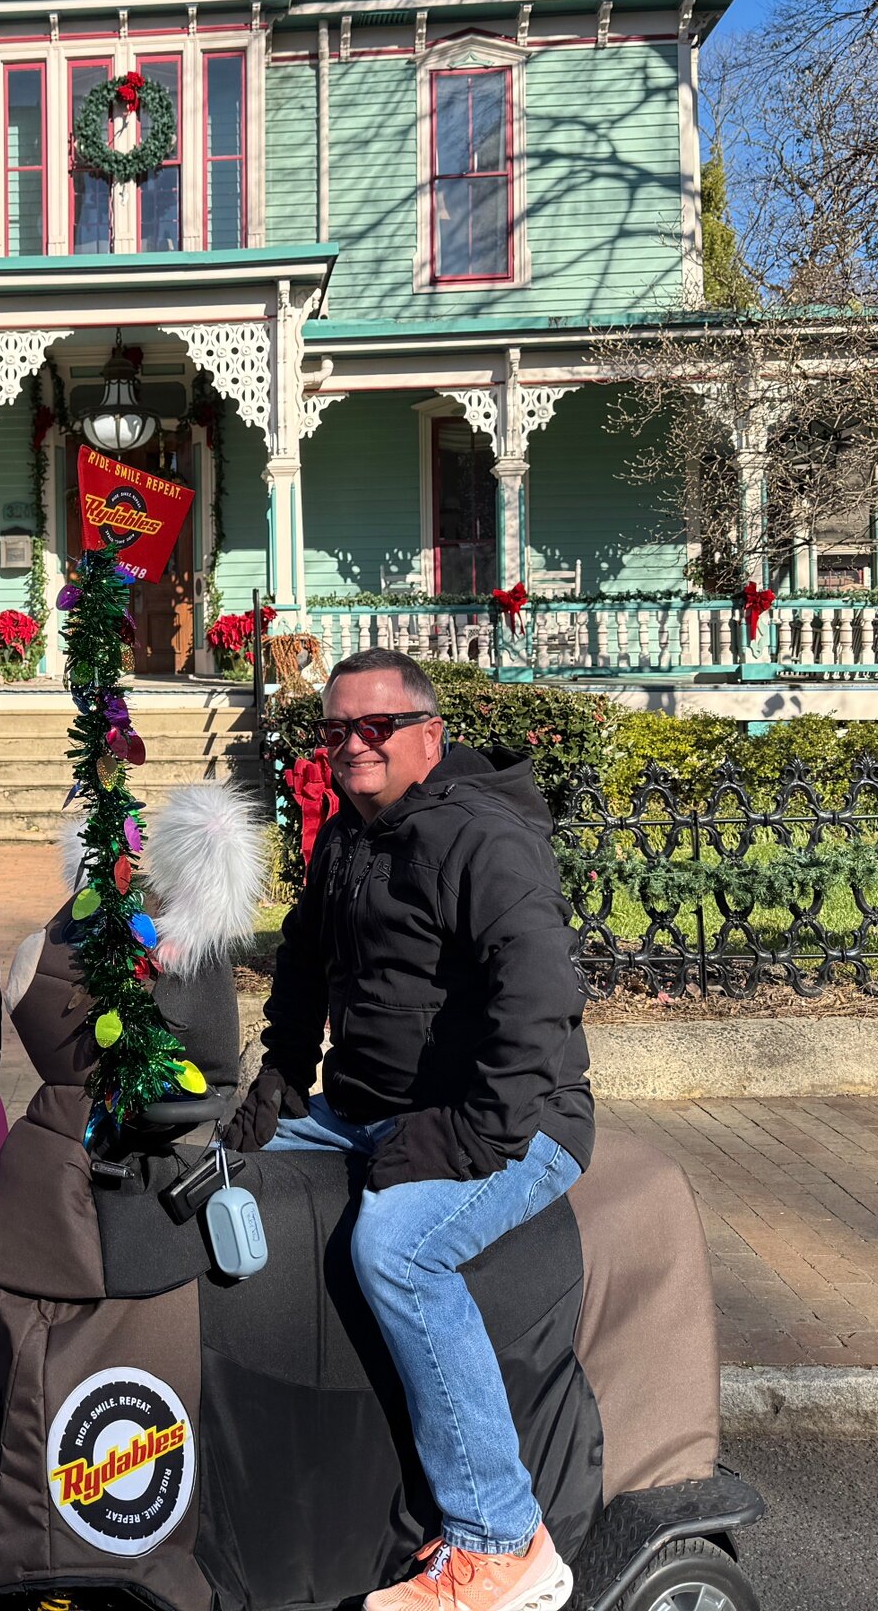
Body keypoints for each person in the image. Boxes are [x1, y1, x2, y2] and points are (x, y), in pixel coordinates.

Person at [222, 648, 592, 1611]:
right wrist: (280, 1076)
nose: (353, 744)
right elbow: (305, 959)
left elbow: (541, 995)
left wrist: (471, 1135)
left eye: (376, 726)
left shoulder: (483, 836)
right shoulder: (351, 835)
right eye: (336, 729)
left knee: (397, 1250)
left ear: (430, 734)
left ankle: (504, 1542)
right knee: (222, 1168)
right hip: (370, 1112)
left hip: (518, 1122)